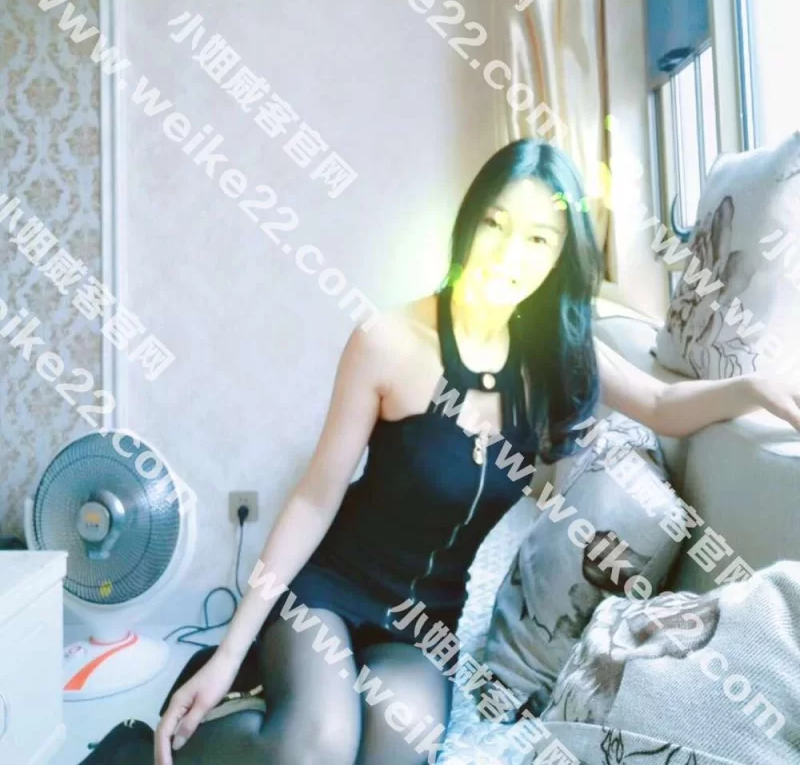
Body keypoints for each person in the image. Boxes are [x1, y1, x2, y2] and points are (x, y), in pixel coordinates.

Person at [80, 139, 800, 765]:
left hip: (424, 625)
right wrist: (232, 649)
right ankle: (138, 751)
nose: (510, 254)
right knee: (315, 747)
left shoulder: (559, 352)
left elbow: (664, 407)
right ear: (468, 222)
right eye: (496, 224)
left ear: (560, 255)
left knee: (395, 752)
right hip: (328, 591)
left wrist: (758, 387)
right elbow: (315, 497)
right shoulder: (389, 342)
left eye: (539, 239)